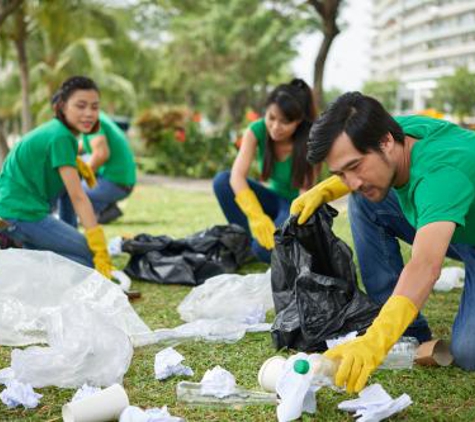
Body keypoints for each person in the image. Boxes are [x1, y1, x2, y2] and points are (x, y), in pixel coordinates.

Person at [291, 92, 475, 393]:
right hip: (459, 223)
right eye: (340, 173)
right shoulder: (391, 132)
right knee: (365, 200)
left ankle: (386, 329)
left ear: (386, 142)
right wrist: (325, 189)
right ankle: (408, 333)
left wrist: (375, 342)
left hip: (455, 218)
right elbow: (362, 170)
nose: (350, 181)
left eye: (354, 166)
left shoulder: (441, 173)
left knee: (469, 352)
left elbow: (425, 265)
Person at [0, 76, 113, 278]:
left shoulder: (56, 132)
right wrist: (98, 245)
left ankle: (25, 256)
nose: (89, 113)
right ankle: (21, 265)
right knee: (89, 258)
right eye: (81, 106)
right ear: (62, 106)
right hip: (22, 214)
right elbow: (78, 196)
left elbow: (65, 193)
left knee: (70, 255)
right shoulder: (62, 137)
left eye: (94, 107)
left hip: (13, 210)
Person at [213, 79, 318, 262]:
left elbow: (305, 196)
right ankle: (244, 244)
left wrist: (292, 228)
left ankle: (265, 247)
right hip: (270, 199)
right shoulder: (257, 130)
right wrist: (256, 216)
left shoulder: (311, 140)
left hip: (294, 205)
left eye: (285, 122)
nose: (276, 127)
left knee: (264, 251)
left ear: (299, 121)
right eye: (272, 118)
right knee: (222, 180)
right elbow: (237, 176)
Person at [58, 111, 136, 226]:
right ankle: (104, 209)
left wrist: (77, 182)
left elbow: (101, 155)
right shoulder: (95, 117)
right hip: (121, 182)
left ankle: (98, 211)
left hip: (116, 183)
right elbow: (85, 146)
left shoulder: (90, 121)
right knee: (74, 164)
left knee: (67, 191)